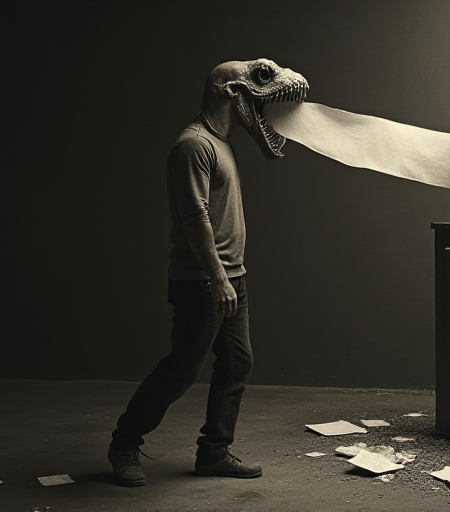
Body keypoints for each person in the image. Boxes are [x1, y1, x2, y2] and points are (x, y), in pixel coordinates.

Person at [106, 59, 308, 487]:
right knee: (182, 369)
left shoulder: (221, 143)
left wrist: (229, 275)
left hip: (232, 276)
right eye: (260, 77)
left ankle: (213, 453)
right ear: (230, 91)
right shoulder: (193, 145)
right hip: (204, 279)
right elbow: (193, 215)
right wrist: (216, 276)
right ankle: (124, 443)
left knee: (238, 363)